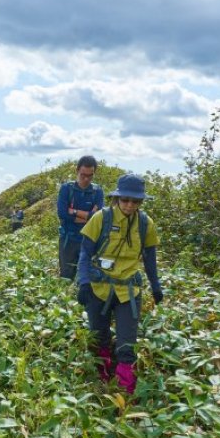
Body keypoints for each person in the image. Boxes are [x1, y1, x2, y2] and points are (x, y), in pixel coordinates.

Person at [76, 173, 164, 394]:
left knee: (128, 342)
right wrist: (83, 282)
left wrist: (156, 286)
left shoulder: (145, 224)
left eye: (135, 201)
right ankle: (102, 377)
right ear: (117, 198)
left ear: (141, 202)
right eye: (125, 199)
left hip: (129, 290)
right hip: (99, 288)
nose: (129, 205)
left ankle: (125, 389)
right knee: (99, 336)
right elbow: (85, 253)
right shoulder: (100, 219)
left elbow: (150, 259)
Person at [57, 156, 104, 279]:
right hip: (68, 240)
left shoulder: (97, 191)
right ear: (77, 171)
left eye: (90, 175)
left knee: (86, 278)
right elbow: (62, 214)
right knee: (66, 277)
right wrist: (89, 216)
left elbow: (98, 218)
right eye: (83, 175)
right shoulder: (67, 189)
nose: (86, 179)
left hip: (89, 241)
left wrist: (74, 211)